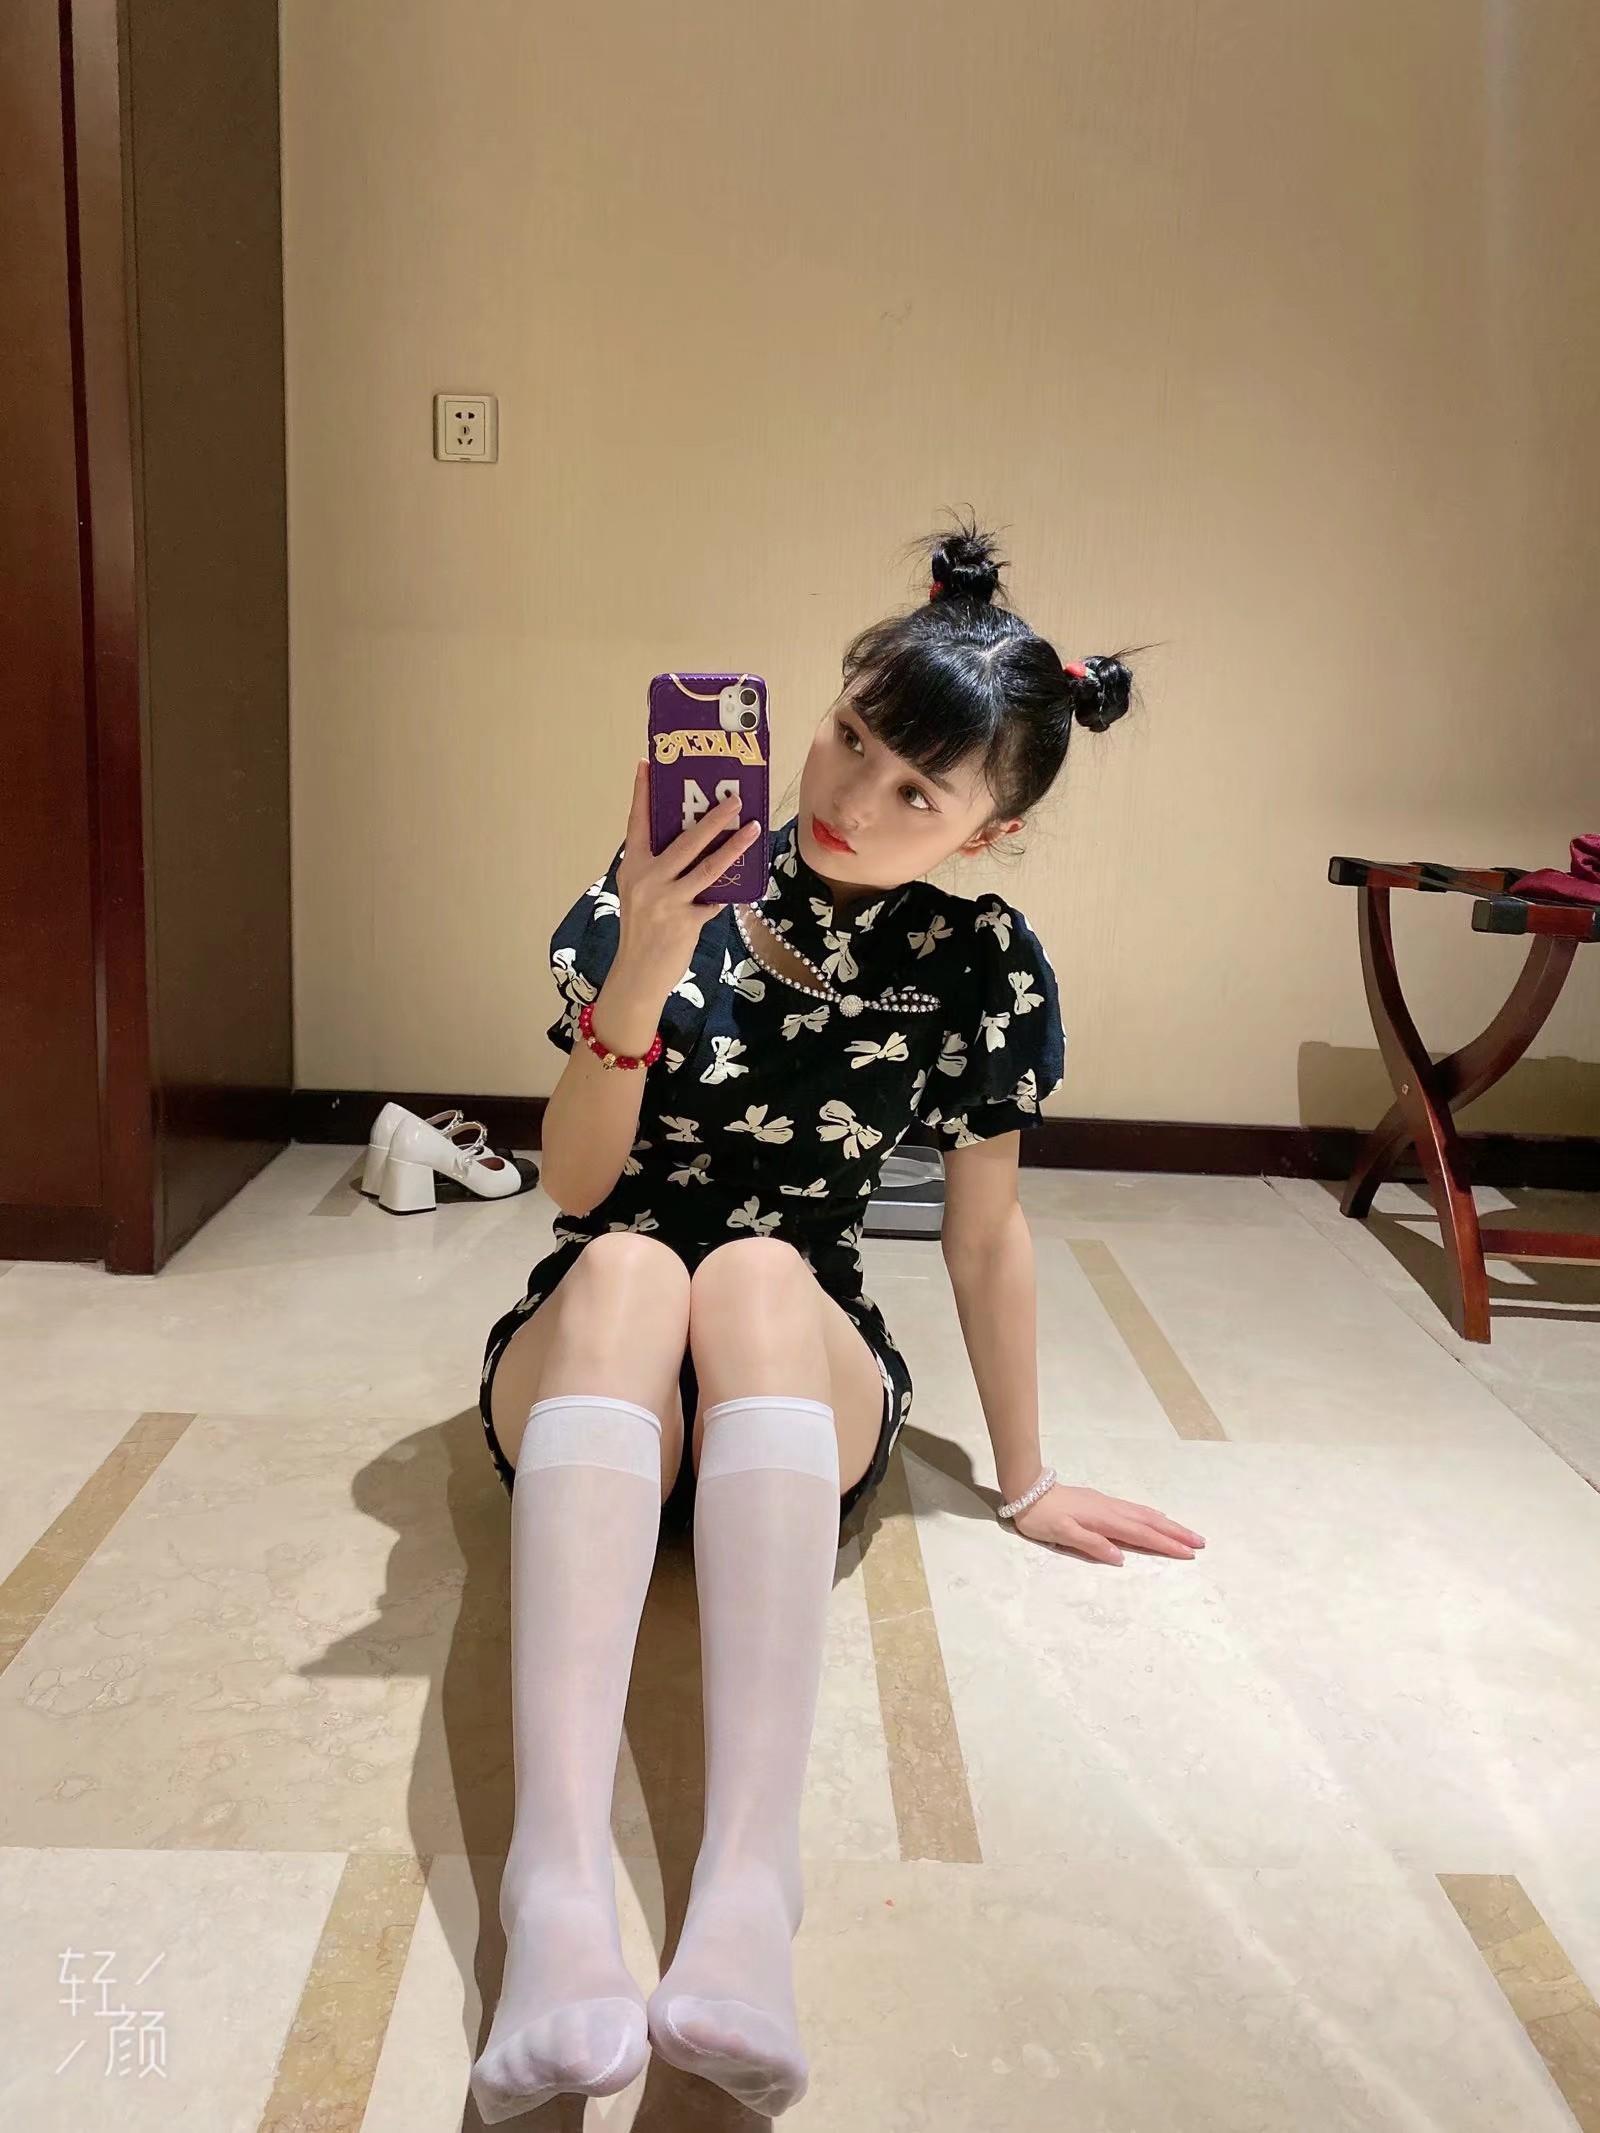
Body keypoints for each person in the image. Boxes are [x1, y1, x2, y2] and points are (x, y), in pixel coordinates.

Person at [468, 517, 1205, 2124]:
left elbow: (985, 1234)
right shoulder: (653, 889)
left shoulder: (981, 964)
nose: (855, 797)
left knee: (751, 1269)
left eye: (919, 791)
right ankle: (556, 1882)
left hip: (790, 1363)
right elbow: (571, 1188)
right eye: (852, 735)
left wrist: (1025, 1475)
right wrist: (643, 971)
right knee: (635, 1261)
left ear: (994, 830)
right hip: (600, 1353)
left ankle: (748, 1887)